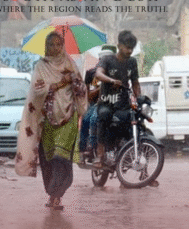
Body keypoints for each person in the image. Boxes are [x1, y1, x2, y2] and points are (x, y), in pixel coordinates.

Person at [15, 31, 87, 210]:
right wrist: (58, 84)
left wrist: (73, 81)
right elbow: (36, 90)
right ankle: (52, 193)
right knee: (48, 160)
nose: (55, 48)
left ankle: (57, 196)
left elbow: (81, 88)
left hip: (68, 118)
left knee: (61, 159)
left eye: (58, 44)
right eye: (51, 44)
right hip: (47, 120)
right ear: (46, 47)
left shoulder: (70, 64)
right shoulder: (41, 66)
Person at [93, 30, 141, 167]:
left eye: (132, 48)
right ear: (119, 45)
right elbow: (98, 74)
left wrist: (138, 98)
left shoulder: (132, 62)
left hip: (123, 104)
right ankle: (100, 154)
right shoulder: (108, 59)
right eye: (127, 47)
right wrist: (111, 80)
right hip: (107, 103)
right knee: (104, 115)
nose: (130, 51)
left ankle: (126, 155)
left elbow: (135, 83)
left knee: (132, 121)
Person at [78, 45, 117, 161]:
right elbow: (88, 96)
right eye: (103, 59)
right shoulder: (91, 74)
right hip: (96, 104)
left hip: (113, 103)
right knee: (87, 119)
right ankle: (86, 149)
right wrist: (102, 88)